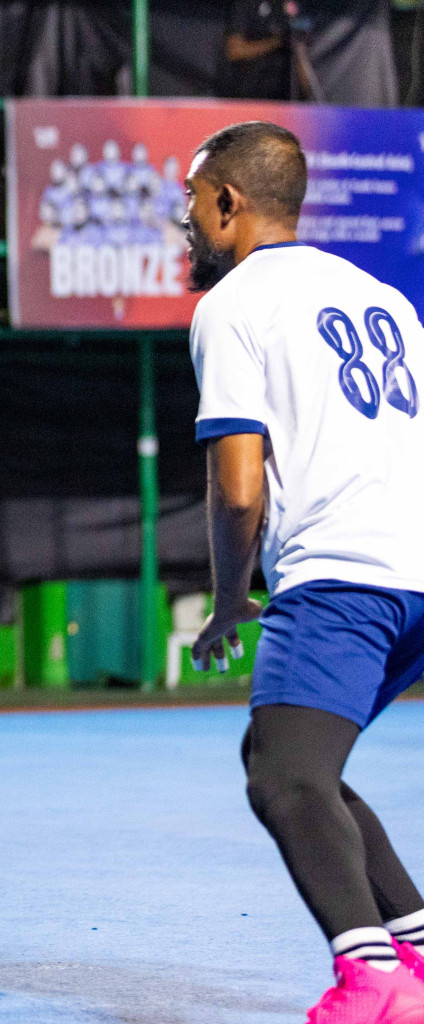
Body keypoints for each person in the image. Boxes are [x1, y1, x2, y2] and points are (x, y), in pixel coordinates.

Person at [186, 121, 424, 1022]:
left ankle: (373, 986)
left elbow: (238, 486)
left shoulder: (236, 304)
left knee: (283, 777)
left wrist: (225, 599)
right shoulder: (384, 298)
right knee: (307, 764)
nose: (188, 222)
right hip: (415, 570)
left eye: (191, 203)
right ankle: (412, 953)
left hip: (343, 572)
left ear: (228, 202)